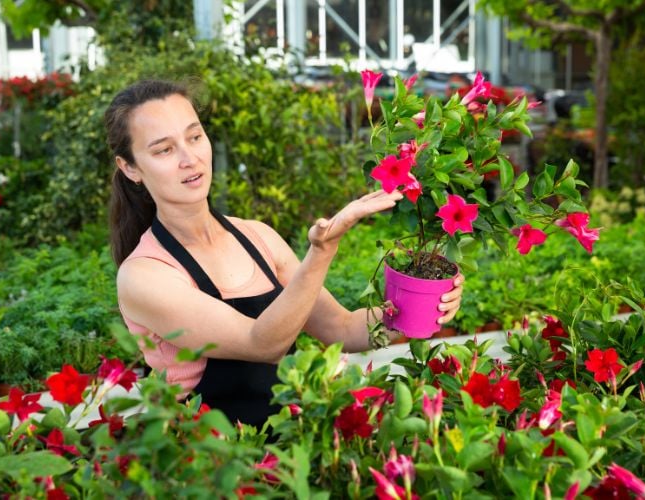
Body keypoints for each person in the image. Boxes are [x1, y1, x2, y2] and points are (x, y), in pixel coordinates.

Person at [105, 79, 464, 430]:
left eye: (195, 136)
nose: (189, 158)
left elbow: (341, 329)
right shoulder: (145, 274)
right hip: (207, 461)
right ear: (131, 167)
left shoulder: (257, 237)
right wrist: (322, 251)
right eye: (164, 149)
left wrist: (421, 300)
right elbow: (263, 344)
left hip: (288, 442)